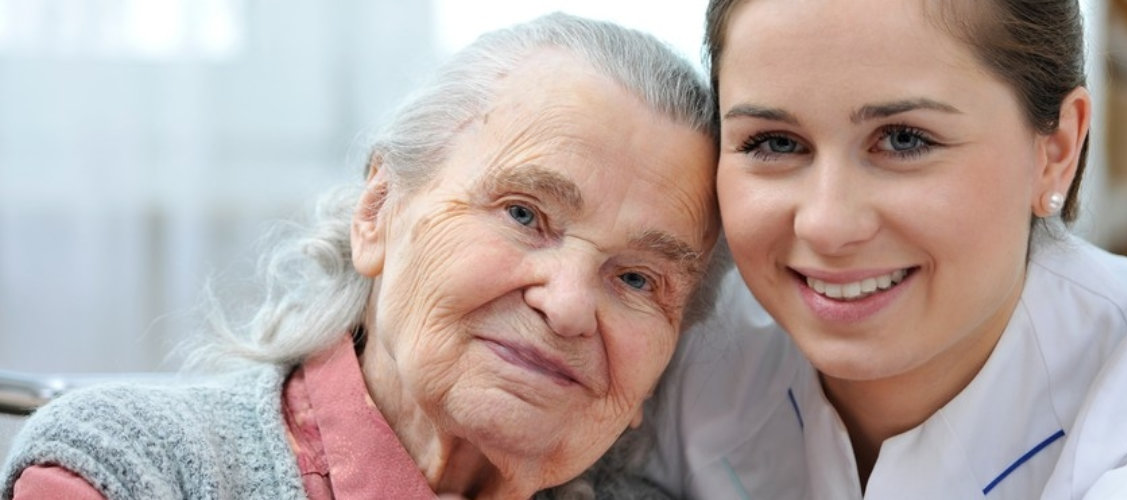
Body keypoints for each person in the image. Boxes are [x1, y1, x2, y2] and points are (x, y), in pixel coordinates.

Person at [2, 13, 722, 500]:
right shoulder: (133, 472)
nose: (566, 305)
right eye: (524, 215)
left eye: (637, 279)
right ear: (376, 212)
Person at [642, 0, 1127, 498]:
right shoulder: (672, 353)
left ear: (1056, 150)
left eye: (905, 139)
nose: (827, 224)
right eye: (774, 143)